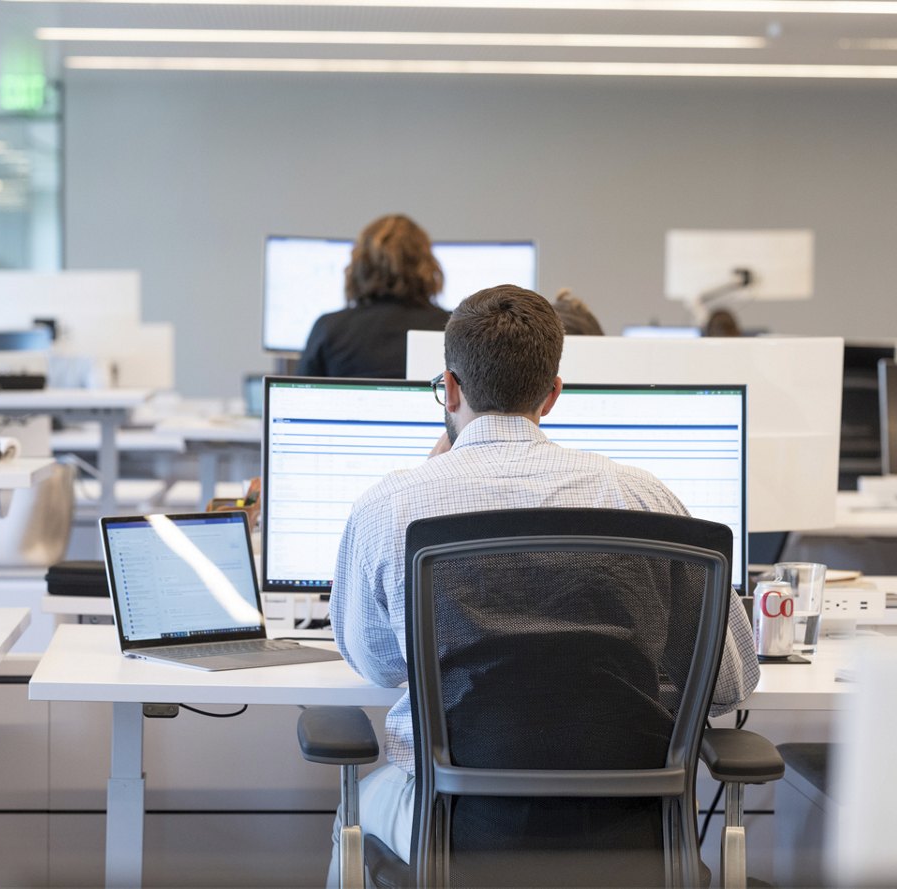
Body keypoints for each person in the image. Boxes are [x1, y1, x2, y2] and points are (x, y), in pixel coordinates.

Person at [327, 285, 759, 880]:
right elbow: (730, 681)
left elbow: (377, 664)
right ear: (553, 394)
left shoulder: (392, 506)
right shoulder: (643, 497)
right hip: (631, 830)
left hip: (458, 821)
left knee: (354, 811)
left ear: (449, 389)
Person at [297, 214, 450, 378]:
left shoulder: (328, 329)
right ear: (427, 265)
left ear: (359, 265)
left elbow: (299, 396)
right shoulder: (452, 328)